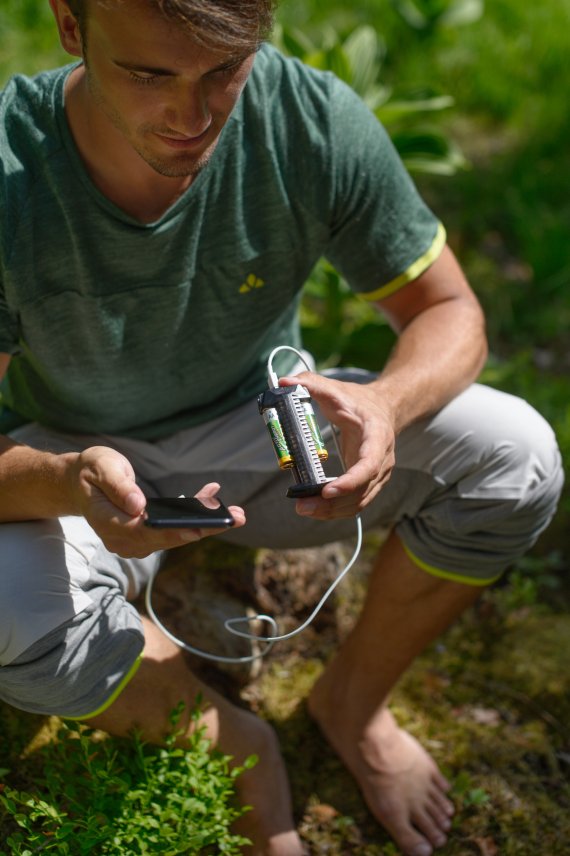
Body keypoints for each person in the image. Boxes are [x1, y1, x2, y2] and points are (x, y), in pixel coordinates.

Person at [0, 0, 563, 854]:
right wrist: (71, 480)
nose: (191, 119)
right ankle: (237, 745)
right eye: (148, 74)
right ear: (71, 28)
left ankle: (353, 705)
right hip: (56, 459)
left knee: (516, 458)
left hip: (253, 429)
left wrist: (387, 404)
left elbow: (449, 310)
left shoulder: (308, 120)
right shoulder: (11, 169)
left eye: (223, 70)